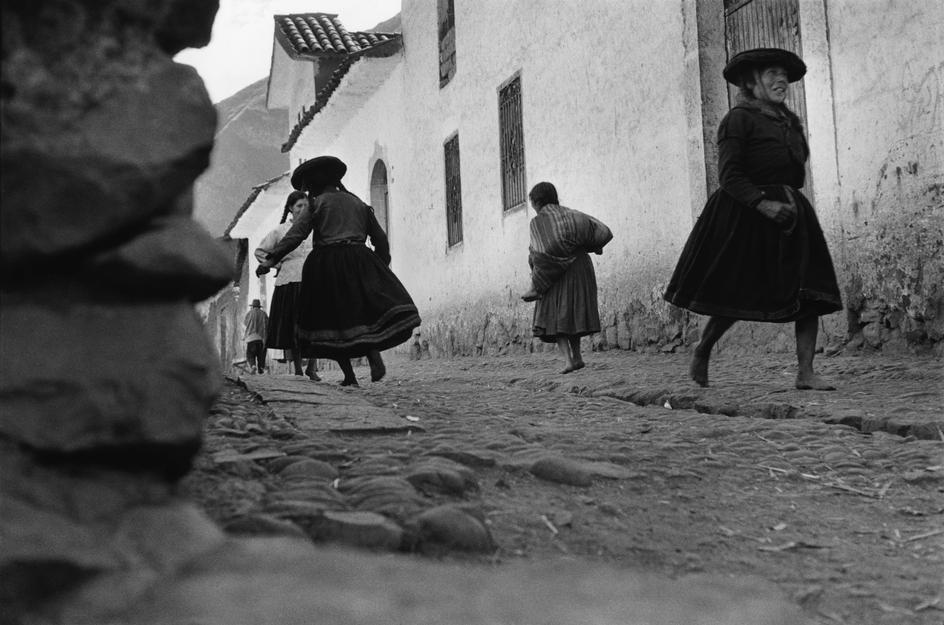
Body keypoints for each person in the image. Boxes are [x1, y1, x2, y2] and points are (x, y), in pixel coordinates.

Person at [663, 48, 842, 390]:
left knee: (811, 291)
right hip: (747, 213)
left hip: (791, 210)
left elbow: (796, 168)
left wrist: (785, 201)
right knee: (736, 291)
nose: (781, 80)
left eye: (784, 75)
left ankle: (806, 372)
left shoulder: (789, 121)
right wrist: (763, 204)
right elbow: (729, 176)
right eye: (772, 73)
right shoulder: (737, 120)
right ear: (750, 81)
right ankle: (703, 348)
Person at [258, 156, 421, 386]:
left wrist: (270, 260)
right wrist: (380, 267)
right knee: (361, 313)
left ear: (314, 183)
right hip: (359, 259)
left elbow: (295, 235)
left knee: (331, 320)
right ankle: (372, 352)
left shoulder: (317, 204)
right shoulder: (357, 203)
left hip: (328, 265)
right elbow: (380, 239)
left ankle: (350, 376)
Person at [521, 182, 612, 374]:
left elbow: (539, 253)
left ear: (537, 202)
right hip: (580, 268)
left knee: (554, 316)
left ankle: (569, 361)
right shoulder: (573, 214)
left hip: (553, 274)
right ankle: (577, 357)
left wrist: (537, 277)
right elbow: (598, 232)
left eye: (533, 204)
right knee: (572, 314)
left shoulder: (538, 223)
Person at [255, 191, 320, 380]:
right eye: (299, 206)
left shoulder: (314, 228)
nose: (302, 209)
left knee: (314, 324)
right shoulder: (280, 231)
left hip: (312, 278)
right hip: (289, 280)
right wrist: (278, 263)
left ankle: (313, 367)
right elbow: (261, 251)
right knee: (294, 325)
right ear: (291, 208)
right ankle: (299, 368)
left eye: (306, 206)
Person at [243, 299, 268, 374]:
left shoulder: (249, 313)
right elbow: (267, 324)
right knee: (261, 356)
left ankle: (253, 365)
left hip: (251, 338)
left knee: (250, 354)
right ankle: (261, 368)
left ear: (252, 306)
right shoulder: (264, 314)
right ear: (259, 306)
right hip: (261, 339)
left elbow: (245, 323)